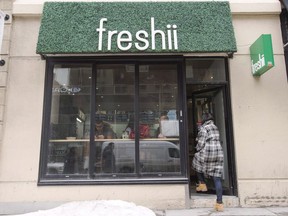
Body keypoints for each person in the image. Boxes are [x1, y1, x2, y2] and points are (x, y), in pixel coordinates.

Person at [192, 112, 224, 212]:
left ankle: (202, 184)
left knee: (196, 162)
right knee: (217, 178)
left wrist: (196, 148)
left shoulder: (203, 128)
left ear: (204, 119)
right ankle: (219, 203)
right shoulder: (215, 127)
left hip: (208, 152)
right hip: (218, 152)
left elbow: (201, 143)